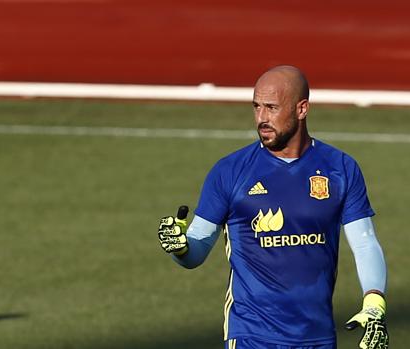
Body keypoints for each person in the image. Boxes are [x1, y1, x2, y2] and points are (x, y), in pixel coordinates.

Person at [157, 65, 388, 349]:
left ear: (301, 109)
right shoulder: (229, 171)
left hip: (317, 336)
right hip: (251, 335)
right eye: (256, 107)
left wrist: (374, 304)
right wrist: (180, 247)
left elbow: (365, 243)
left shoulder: (340, 169)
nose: (261, 118)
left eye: (271, 107)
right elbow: (195, 251)